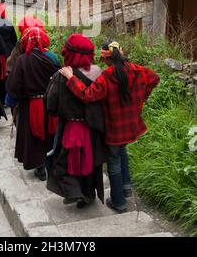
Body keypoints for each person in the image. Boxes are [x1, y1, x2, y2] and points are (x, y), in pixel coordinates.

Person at [59, 40, 160, 213]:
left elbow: (87, 95)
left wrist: (71, 78)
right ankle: (126, 187)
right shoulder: (137, 70)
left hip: (115, 126)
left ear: (107, 59)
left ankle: (118, 202)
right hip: (130, 124)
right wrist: (140, 99)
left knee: (113, 161)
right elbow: (154, 79)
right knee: (122, 152)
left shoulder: (107, 77)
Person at [46, 34, 108, 208]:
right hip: (93, 128)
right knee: (89, 162)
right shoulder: (99, 73)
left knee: (63, 163)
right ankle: (87, 196)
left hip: (72, 127)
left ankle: (74, 192)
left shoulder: (63, 75)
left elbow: (51, 104)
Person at [6, 26, 60, 181]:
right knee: (49, 133)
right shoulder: (53, 58)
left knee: (34, 137)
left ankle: (40, 167)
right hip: (50, 103)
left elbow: (14, 85)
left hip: (30, 105)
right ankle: (52, 163)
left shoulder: (22, 60)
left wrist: (14, 99)